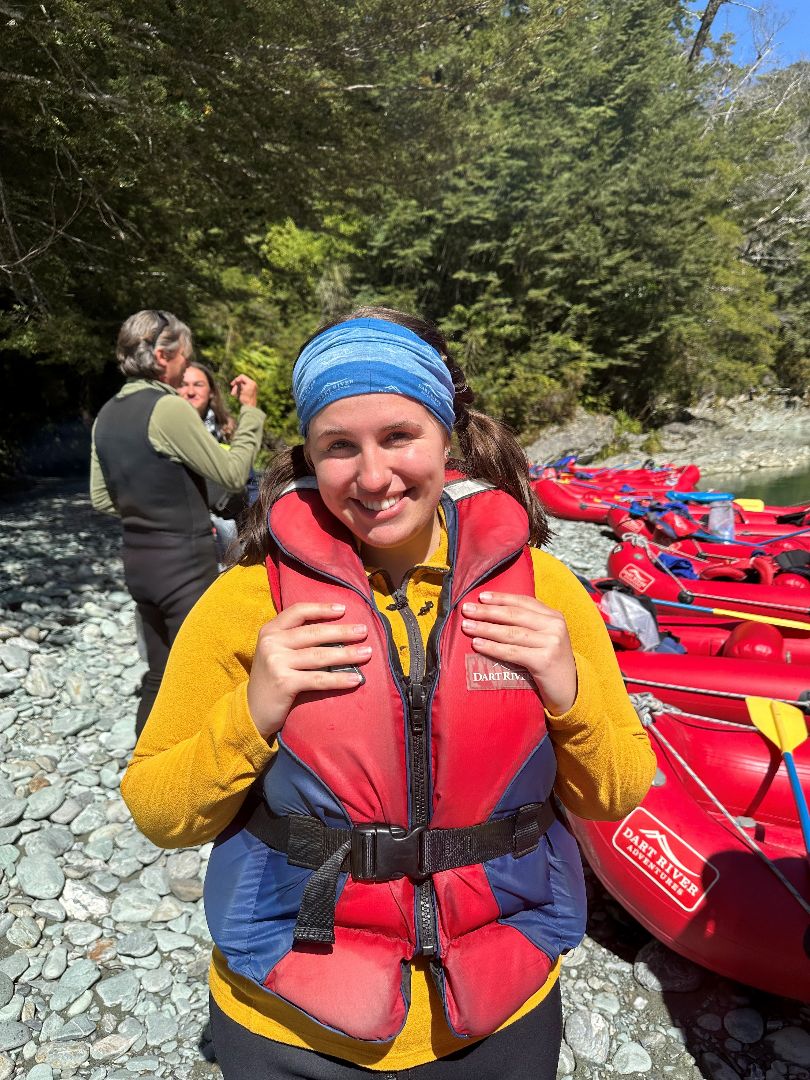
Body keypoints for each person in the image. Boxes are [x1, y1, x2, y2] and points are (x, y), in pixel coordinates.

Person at [121, 307, 656, 1079]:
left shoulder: (547, 593)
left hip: (500, 1013)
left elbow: (614, 795)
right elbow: (160, 814)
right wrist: (253, 712)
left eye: (399, 436)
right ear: (309, 452)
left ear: (448, 438)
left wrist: (569, 695)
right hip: (289, 1022)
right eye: (341, 446)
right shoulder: (246, 601)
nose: (373, 478)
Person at [90, 309, 265, 735]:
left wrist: (148, 512)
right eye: (185, 355)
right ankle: (194, 784)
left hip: (140, 566)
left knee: (158, 675)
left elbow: (99, 498)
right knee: (202, 680)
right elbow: (230, 474)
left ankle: (143, 771)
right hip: (184, 568)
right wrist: (250, 415)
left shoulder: (107, 414)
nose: (188, 363)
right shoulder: (166, 408)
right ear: (164, 355)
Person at [179, 360, 255, 563]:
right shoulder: (164, 434)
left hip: (230, 528)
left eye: (198, 384)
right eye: (183, 384)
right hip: (183, 536)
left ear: (211, 392)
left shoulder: (227, 431)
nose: (190, 391)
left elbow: (250, 484)